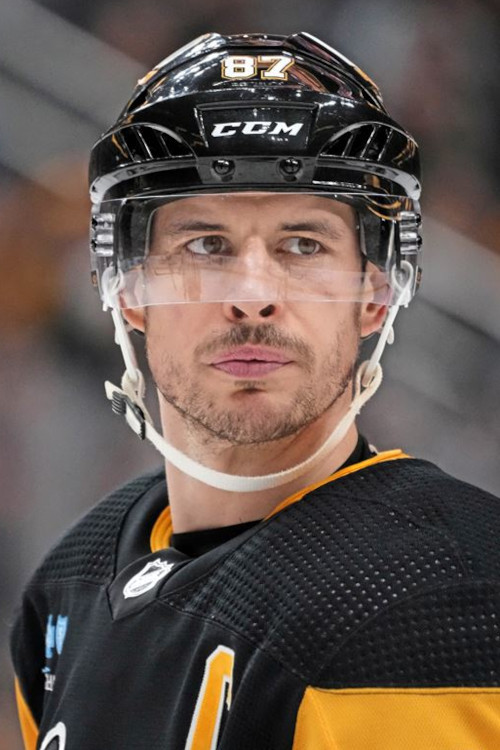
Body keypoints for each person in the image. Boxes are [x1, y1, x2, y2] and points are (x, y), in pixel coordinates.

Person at [11, 32, 500, 750]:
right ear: (128, 288)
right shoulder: (68, 583)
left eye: (303, 245)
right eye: (205, 245)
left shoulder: (443, 597)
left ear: (376, 292)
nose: (252, 295)